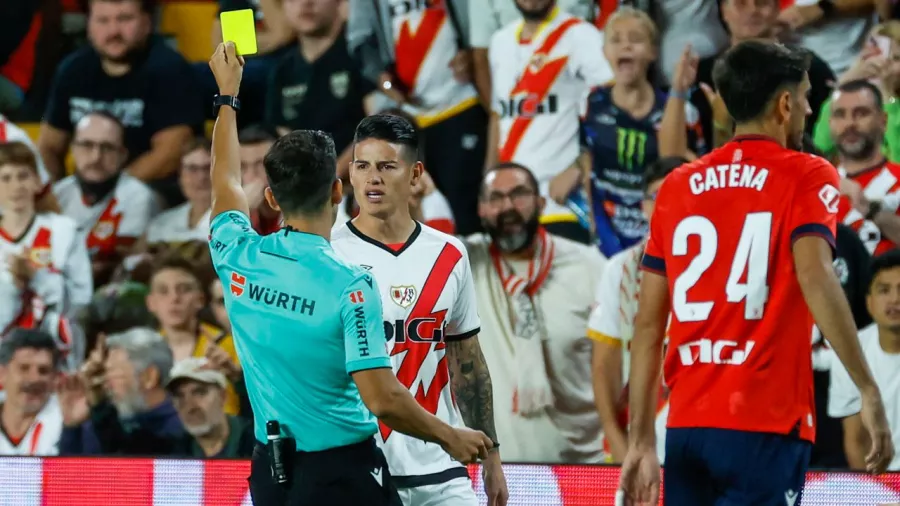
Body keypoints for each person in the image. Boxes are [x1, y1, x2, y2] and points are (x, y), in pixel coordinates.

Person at [205, 42, 493, 506]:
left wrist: (226, 98)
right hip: (343, 473)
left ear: (273, 200)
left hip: (271, 473)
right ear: (339, 189)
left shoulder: (236, 254)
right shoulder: (351, 284)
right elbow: (383, 399)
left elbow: (225, 182)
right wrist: (449, 437)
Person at [618, 40, 895, 506]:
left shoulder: (678, 186)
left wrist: (642, 440)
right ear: (785, 104)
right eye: (807, 98)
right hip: (765, 422)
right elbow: (816, 277)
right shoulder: (806, 173)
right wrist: (867, 388)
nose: (810, 110)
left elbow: (647, 324)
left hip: (686, 426)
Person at [331, 114, 509, 506]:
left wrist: (492, 454)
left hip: (441, 467)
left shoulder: (449, 254)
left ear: (415, 176)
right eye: (362, 166)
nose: (372, 178)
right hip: (359, 467)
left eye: (386, 166)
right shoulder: (328, 254)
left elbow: (468, 364)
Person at [587, 156, 686, 464]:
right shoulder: (620, 269)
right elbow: (604, 367)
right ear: (644, 206)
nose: (671, 205)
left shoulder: (723, 265)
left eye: (682, 193)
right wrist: (616, 442)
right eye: (660, 197)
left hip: (701, 435)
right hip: (641, 443)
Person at [0, 142, 92, 361]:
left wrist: (37, 279)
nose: (16, 186)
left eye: (23, 176)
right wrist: (14, 285)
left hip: (56, 351)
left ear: (38, 182)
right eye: (6, 178)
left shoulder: (64, 231)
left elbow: (82, 300)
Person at [829, 250, 900, 472]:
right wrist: (874, 493)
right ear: (869, 302)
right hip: (880, 485)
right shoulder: (849, 353)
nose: (895, 299)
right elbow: (856, 440)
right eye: (884, 290)